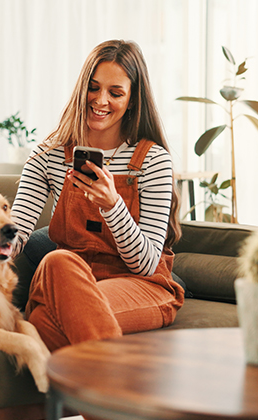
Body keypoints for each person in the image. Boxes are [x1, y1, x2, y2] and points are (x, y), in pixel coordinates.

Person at [10, 39, 184, 352]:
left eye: (115, 93)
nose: (100, 100)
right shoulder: (47, 155)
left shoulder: (153, 160)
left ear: (132, 99)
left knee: (44, 323)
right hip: (67, 277)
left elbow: (145, 264)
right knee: (57, 260)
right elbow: (17, 231)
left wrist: (112, 205)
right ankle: (114, 394)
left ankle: (94, 393)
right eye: (93, 88)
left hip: (139, 284)